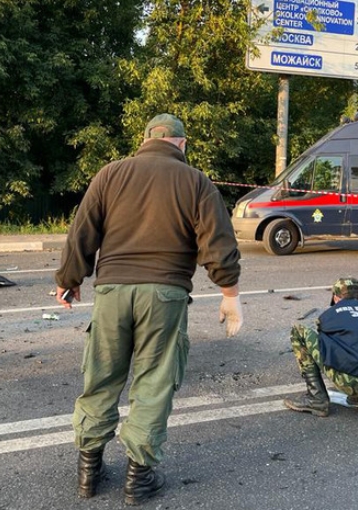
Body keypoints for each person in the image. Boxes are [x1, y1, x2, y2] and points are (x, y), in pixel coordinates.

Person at [54, 113, 243, 505]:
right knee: (154, 382)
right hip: (165, 293)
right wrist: (230, 293)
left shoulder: (110, 174)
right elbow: (218, 243)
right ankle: (137, 479)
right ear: (182, 144)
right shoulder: (196, 182)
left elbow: (82, 231)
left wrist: (69, 279)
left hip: (111, 292)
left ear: (144, 141)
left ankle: (88, 470)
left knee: (102, 377)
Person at [283, 277, 358, 417]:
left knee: (300, 330)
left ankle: (317, 399)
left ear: (335, 298)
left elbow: (326, 341)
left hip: (353, 383)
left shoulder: (331, 314)